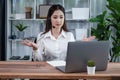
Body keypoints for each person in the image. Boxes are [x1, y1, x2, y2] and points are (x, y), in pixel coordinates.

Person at [23, 4, 95, 61]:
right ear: (49, 18)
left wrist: (81, 46)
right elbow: (39, 61)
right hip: (48, 72)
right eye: (55, 17)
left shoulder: (69, 36)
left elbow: (74, 58)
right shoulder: (42, 36)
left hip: (65, 72)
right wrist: (35, 49)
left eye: (61, 17)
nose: (58, 20)